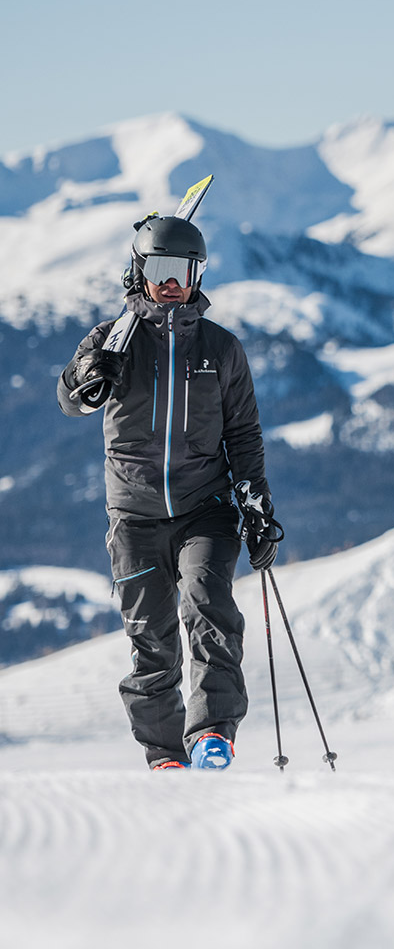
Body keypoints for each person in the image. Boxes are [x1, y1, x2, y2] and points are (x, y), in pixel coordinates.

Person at [57, 211, 279, 771]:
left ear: (198, 274)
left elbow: (244, 434)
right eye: (159, 266)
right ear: (140, 269)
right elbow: (70, 400)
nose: (172, 279)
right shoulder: (113, 340)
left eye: (183, 267)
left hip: (205, 509)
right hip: (132, 517)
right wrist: (87, 373)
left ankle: (212, 735)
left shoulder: (222, 348)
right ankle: (164, 754)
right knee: (151, 640)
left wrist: (255, 507)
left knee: (211, 610)